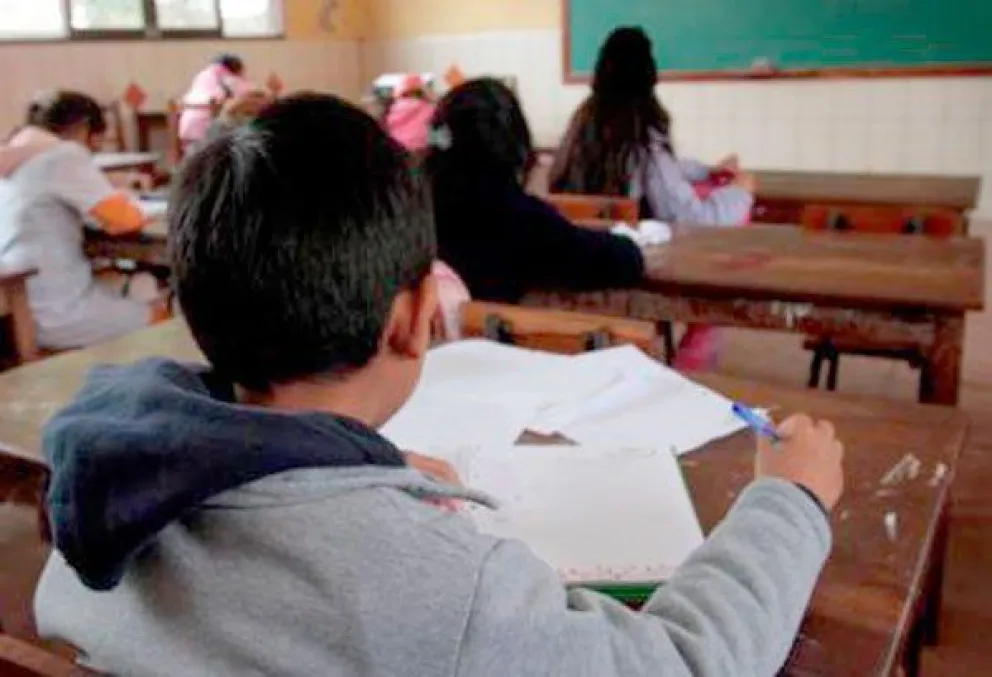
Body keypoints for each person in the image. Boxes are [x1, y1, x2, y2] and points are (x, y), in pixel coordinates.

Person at [35, 92, 844, 677]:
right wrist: (790, 500)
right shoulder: (447, 593)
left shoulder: (98, 491)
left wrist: (348, 477)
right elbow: (688, 662)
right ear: (416, 314)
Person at [550, 27, 755, 371]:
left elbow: (659, 170)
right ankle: (692, 365)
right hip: (624, 262)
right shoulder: (641, 132)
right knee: (720, 244)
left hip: (578, 252)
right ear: (650, 75)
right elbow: (692, 216)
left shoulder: (583, 122)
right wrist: (741, 192)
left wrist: (705, 172)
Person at [426, 78, 644, 303]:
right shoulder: (521, 217)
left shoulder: (414, 209)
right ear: (515, 144)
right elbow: (625, 261)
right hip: (488, 337)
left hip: (427, 336)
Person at [0, 91, 167, 350]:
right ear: (85, 128)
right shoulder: (65, 154)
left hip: (14, 308)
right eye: (94, 147)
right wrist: (158, 206)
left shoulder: (14, 154)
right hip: (57, 313)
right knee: (165, 316)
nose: (92, 155)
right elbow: (123, 220)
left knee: (133, 284)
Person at [178, 53, 255, 148]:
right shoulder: (228, 76)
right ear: (235, 68)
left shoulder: (203, 75)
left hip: (187, 133)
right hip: (208, 135)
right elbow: (249, 93)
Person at [384, 73, 436, 151]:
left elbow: (387, 127)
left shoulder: (393, 110)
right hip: (422, 149)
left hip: (398, 149)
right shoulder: (429, 108)